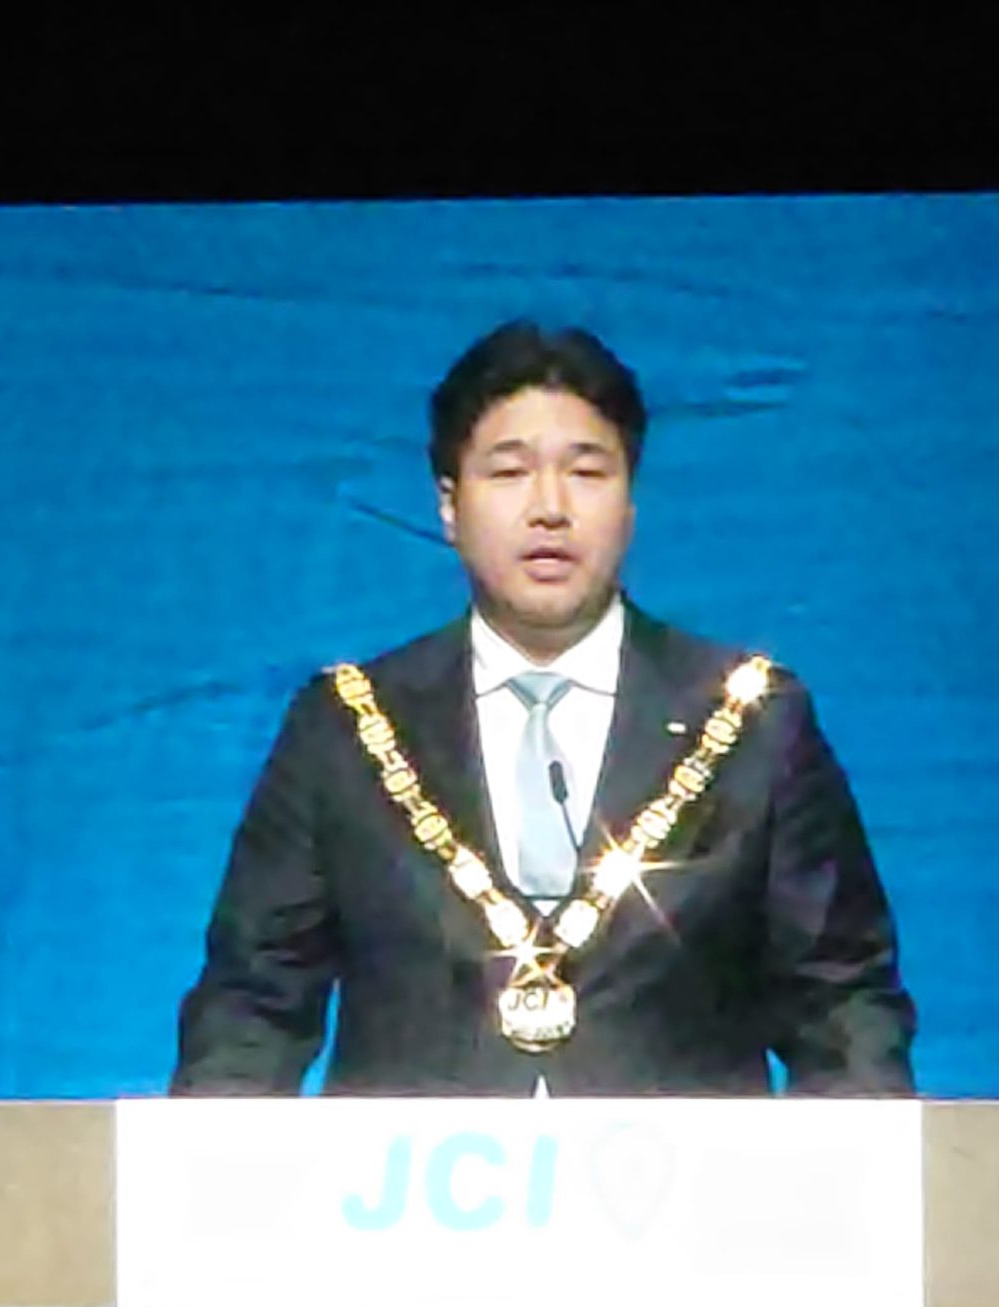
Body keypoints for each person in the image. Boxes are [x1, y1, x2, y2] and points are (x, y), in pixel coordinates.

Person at [169, 320, 915, 1098]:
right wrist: (209, 1163)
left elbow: (843, 1005)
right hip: (411, 1177)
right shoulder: (346, 729)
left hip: (683, 1175)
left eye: (587, 472)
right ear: (449, 506)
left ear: (630, 504)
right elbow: (251, 1006)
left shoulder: (754, 722)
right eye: (510, 472)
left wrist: (860, 1163)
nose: (550, 508)